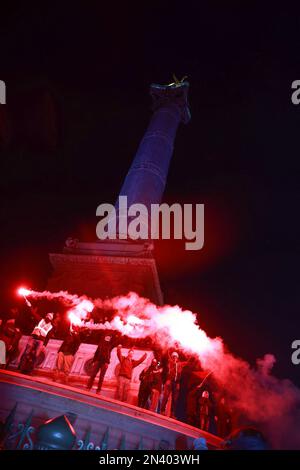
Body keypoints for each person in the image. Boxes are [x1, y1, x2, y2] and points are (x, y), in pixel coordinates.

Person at [160, 351, 186, 418]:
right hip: (169, 381)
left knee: (175, 399)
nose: (175, 358)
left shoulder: (179, 365)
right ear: (172, 357)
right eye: (173, 357)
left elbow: (186, 363)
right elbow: (167, 357)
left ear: (177, 358)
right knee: (166, 396)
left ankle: (172, 413)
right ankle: (162, 410)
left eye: (176, 357)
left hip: (176, 382)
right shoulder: (170, 363)